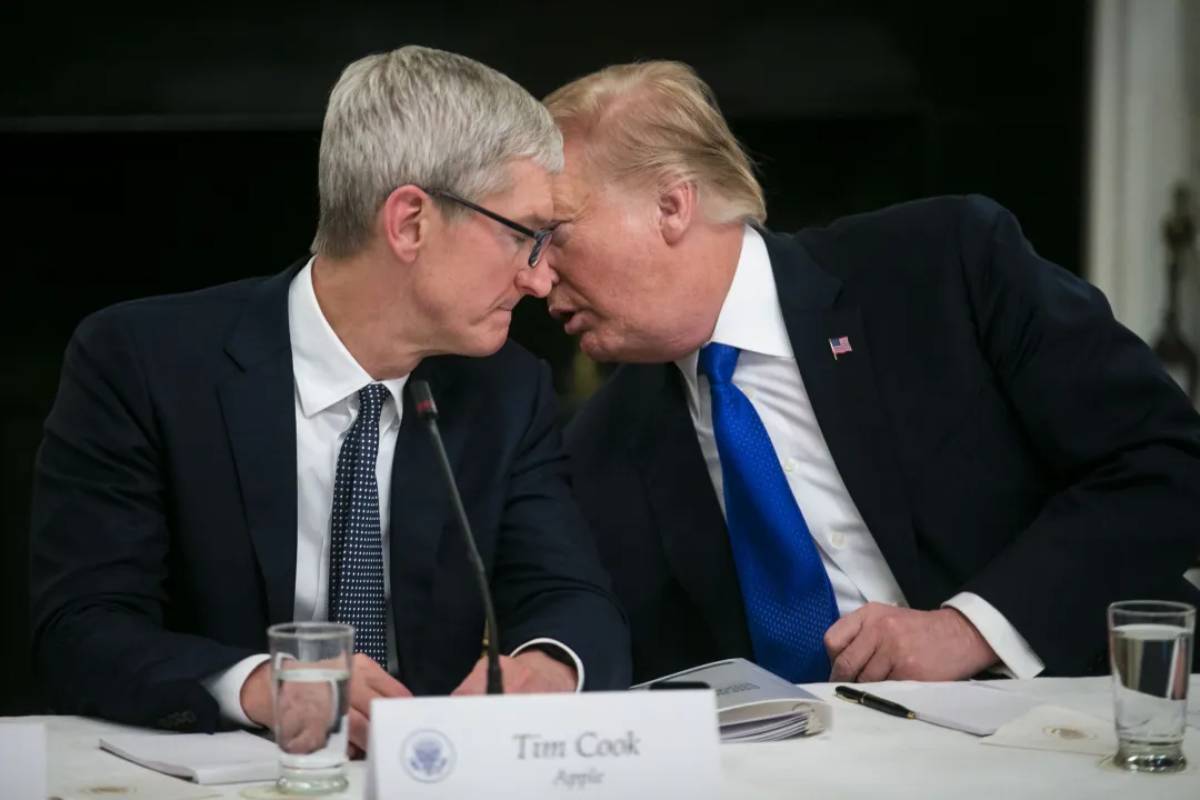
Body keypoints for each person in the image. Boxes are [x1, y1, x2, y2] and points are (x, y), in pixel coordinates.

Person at [29, 46, 631, 752]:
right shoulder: (142, 362)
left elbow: (574, 600)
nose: (539, 279)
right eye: (522, 235)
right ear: (410, 222)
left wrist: (548, 666)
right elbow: (80, 629)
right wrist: (266, 685)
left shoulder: (506, 388)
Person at [542, 61, 1200, 685]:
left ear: (671, 205)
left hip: (1078, 713)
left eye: (553, 236)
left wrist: (971, 629)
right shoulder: (600, 446)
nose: (536, 278)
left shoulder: (943, 266)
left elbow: (1169, 462)